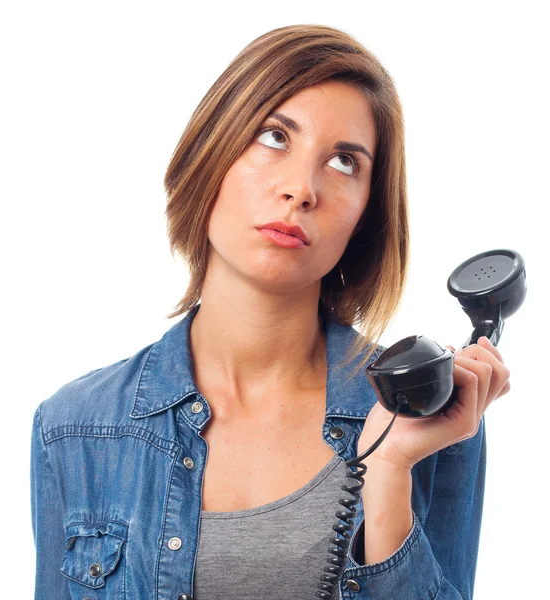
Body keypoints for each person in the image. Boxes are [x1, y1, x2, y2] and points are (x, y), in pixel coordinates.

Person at [30, 24, 511, 600]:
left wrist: (386, 473)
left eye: (343, 163)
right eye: (274, 137)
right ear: (211, 152)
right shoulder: (74, 427)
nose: (301, 189)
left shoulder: (426, 423)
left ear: (365, 215)